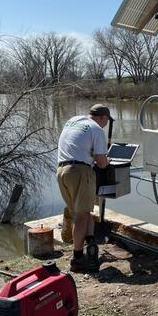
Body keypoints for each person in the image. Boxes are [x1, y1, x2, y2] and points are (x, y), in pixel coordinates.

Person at [56, 104, 112, 273]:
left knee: (82, 213)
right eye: (106, 122)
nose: (105, 125)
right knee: (81, 216)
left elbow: (77, 146)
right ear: (103, 118)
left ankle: (90, 245)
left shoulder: (73, 121)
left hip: (62, 171)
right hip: (80, 172)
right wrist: (107, 160)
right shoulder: (96, 129)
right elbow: (102, 163)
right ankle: (78, 259)